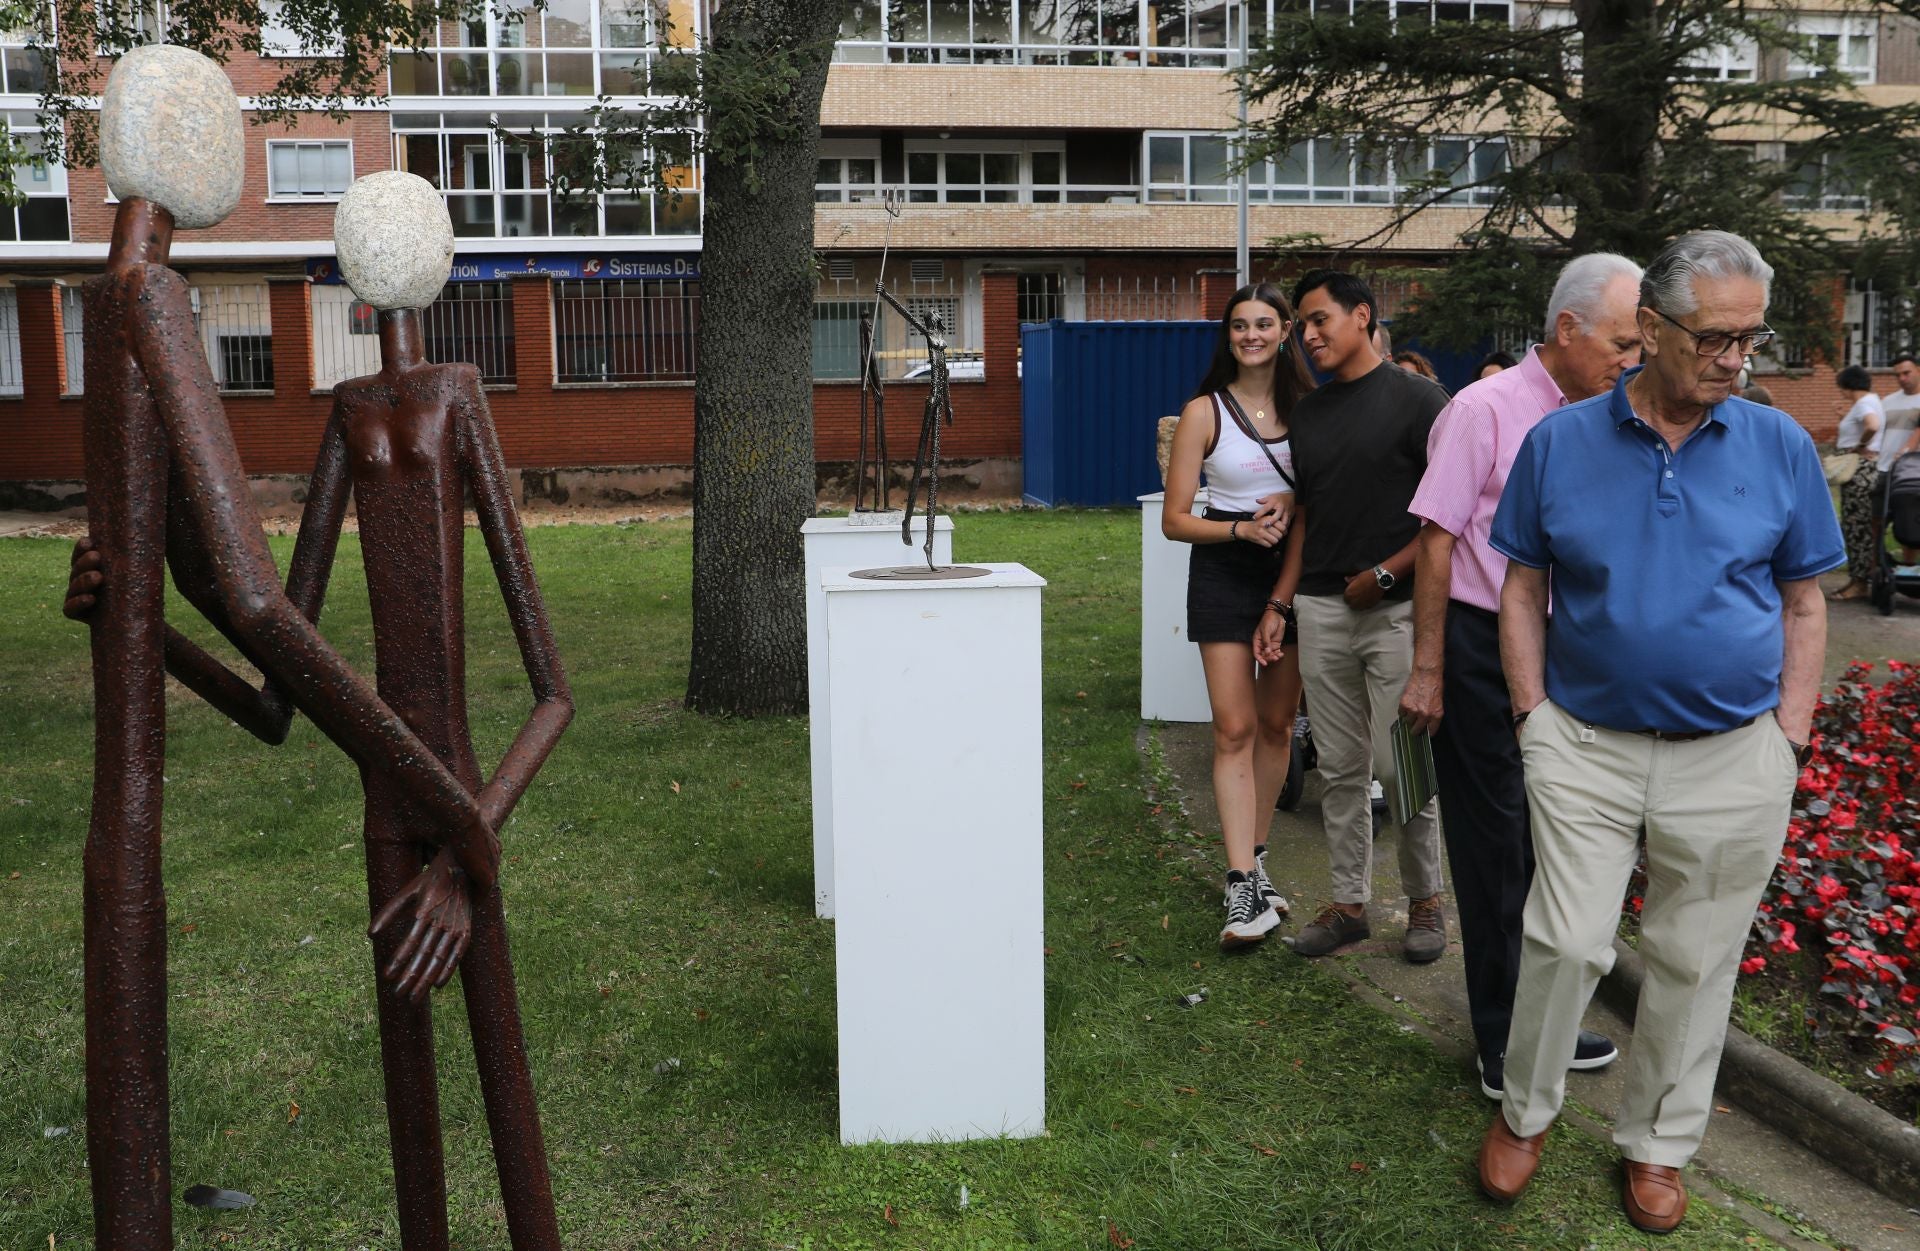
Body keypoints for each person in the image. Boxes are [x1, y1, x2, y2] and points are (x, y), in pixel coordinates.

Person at [1476, 231, 1843, 1234]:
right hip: (1584, 746)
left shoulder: (1778, 446)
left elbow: (1804, 603)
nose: (1736, 359)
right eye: (1715, 338)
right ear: (1648, 328)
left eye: (1749, 340)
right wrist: (1533, 717)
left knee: (1695, 959)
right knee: (1565, 939)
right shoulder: (1560, 441)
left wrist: (1789, 737)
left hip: (1733, 755)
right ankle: (1526, 1112)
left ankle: (1656, 1146)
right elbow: (1522, 582)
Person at [1398, 253, 1642, 1102]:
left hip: (1569, 650)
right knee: (1496, 848)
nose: (1633, 357)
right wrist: (1427, 668)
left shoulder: (1613, 416)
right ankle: (1503, 1039)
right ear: (1566, 328)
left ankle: (1550, 1018)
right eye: (1620, 340)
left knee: (1560, 846)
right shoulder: (1484, 409)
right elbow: (1435, 538)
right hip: (1474, 645)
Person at [1255, 270, 1448, 963]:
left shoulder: (1421, 401)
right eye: (1301, 326)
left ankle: (1426, 903)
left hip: (1396, 610)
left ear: (1362, 315)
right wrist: (1284, 601)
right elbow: (1308, 512)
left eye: (1317, 320)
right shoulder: (1310, 414)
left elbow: (1450, 517)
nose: (1306, 336)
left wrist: (1389, 572)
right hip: (1322, 609)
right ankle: (1349, 905)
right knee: (1339, 767)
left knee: (1404, 767)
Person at [1164, 282, 1315, 948]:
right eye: (1238, 326)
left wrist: (1284, 525)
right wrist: (1237, 534)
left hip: (1293, 571)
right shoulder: (1204, 412)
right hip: (1225, 567)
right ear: (1228, 336)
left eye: (1263, 323)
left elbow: (1318, 498)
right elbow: (1175, 520)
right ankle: (1237, 884)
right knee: (1234, 726)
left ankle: (1256, 860)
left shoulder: (1311, 410)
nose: (1250, 335)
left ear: (1285, 330)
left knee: (1278, 723)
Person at [1829, 364, 1885, 601]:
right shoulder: (1872, 400)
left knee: (1856, 527)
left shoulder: (1863, 404)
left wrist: (1859, 446)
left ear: (1848, 384)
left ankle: (1859, 583)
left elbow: (1872, 425)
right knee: (1858, 526)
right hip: (1866, 470)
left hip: (1859, 470)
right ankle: (1856, 579)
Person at [1880, 354, 1920, 561]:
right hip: (1887, 469)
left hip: (1914, 472)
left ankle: (1911, 569)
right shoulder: (1887, 401)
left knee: (1914, 521)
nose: (1902, 378)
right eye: (1898, 375)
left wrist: (1907, 450)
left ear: (1918, 370)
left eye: (1907, 373)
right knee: (1886, 520)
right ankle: (1896, 569)